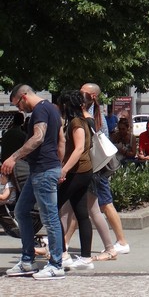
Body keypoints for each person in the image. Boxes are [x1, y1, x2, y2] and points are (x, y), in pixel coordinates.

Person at [1, 84, 66, 279]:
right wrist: (60, 166)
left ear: (24, 96)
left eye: (18, 104)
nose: (20, 109)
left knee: (50, 218)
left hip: (44, 170)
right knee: (21, 211)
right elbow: (61, 140)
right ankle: (27, 260)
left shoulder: (40, 110)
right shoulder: (52, 109)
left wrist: (13, 157)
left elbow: (38, 137)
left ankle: (56, 265)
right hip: (42, 170)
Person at [81, 83, 130, 255]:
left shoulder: (93, 114)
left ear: (93, 96)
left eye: (83, 92)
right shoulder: (95, 112)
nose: (80, 95)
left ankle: (121, 241)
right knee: (96, 205)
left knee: (105, 204)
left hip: (97, 167)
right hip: (97, 166)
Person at [57, 91, 93, 271]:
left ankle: (63, 254)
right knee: (81, 213)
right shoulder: (82, 121)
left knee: (52, 209)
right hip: (84, 171)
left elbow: (78, 149)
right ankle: (85, 258)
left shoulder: (76, 123)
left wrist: (64, 170)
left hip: (77, 172)